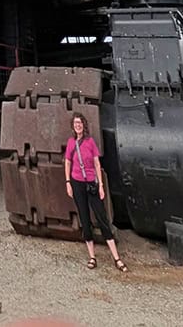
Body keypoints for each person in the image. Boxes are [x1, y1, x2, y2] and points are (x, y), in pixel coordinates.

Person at [64, 113, 128, 271]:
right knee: (85, 220)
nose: (78, 126)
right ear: (73, 126)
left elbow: (97, 164)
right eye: (75, 123)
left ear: (83, 125)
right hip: (77, 183)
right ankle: (92, 257)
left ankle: (116, 258)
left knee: (102, 218)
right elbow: (67, 162)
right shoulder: (71, 143)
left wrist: (100, 185)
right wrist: (68, 183)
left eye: (80, 123)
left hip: (91, 183)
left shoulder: (90, 142)